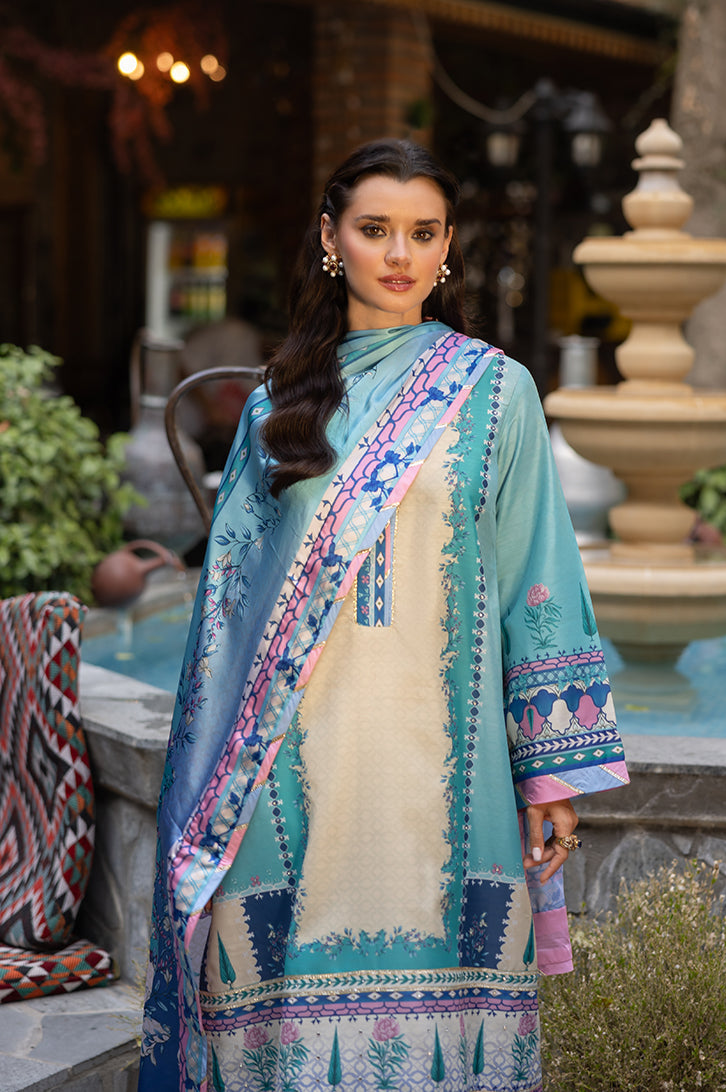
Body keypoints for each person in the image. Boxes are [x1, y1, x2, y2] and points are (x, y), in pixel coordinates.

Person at [139, 139, 629, 1092]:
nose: (400, 255)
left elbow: (539, 578)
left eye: (424, 232)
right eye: (375, 230)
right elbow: (226, 615)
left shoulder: (495, 391)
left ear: (447, 247)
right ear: (332, 239)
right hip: (286, 767)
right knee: (275, 1003)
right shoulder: (276, 406)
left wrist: (551, 771)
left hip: (446, 767)